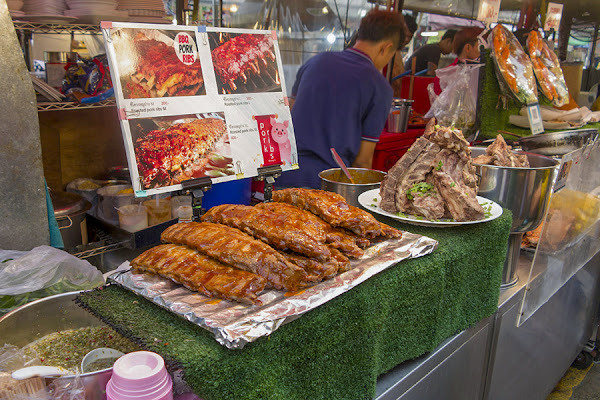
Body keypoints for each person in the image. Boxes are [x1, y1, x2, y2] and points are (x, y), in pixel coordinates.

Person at [278, 9, 406, 189]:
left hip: (284, 174)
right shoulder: (380, 87)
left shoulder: (315, 62)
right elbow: (363, 161)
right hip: (327, 186)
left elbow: (288, 116)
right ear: (386, 48)